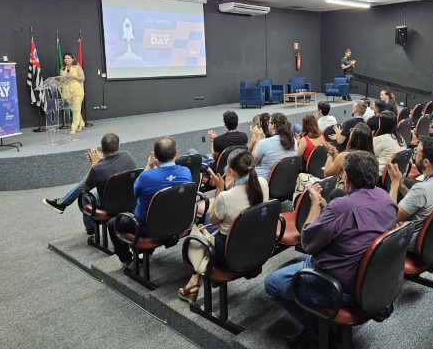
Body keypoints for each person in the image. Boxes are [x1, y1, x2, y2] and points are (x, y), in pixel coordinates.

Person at [264, 150, 397, 348]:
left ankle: (320, 331)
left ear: (347, 176)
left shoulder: (341, 207)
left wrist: (315, 206)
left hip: (338, 288)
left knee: (271, 284)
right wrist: (328, 212)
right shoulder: (385, 197)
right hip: (372, 282)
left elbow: (307, 243)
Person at [179, 149, 269, 302]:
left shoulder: (225, 197)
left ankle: (194, 281)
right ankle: (194, 281)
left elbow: (213, 219)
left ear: (231, 171)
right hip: (257, 243)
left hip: (230, 252)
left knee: (202, 226)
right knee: (211, 229)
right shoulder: (262, 183)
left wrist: (220, 190)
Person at [107, 136, 192, 266]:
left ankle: (127, 260)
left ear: (155, 155)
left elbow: (135, 192)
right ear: (176, 153)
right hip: (178, 222)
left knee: (113, 223)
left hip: (148, 228)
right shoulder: (186, 172)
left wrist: (148, 167)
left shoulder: (146, 177)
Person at [42, 133, 137, 235]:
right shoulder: (128, 157)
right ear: (118, 146)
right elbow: (113, 165)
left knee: (84, 196)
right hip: (131, 201)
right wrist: (101, 160)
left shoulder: (97, 169)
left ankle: (91, 229)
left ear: (103, 149)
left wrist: (94, 165)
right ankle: (61, 203)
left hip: (110, 205)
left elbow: (84, 187)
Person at [387, 137, 433, 249]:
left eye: (416, 153)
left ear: (426, 162)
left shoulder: (421, 189)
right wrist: (401, 186)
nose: (414, 156)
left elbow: (391, 218)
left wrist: (394, 183)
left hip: (412, 242)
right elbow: (420, 201)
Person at [324, 122, 374, 190]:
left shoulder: (345, 156)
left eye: (352, 130)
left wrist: (329, 153)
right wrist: (335, 153)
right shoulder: (372, 157)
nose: (350, 131)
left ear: (354, 138)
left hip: (345, 192)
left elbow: (326, 173)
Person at [250, 113, 297, 179]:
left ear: (273, 125)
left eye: (269, 123)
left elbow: (251, 162)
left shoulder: (264, 143)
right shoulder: (293, 140)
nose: (268, 125)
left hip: (263, 183)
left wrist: (258, 138)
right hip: (286, 181)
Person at [372, 111, 406, 175]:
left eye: (379, 122)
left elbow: (370, 155)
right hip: (396, 173)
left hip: (379, 174)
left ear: (382, 124)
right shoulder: (401, 138)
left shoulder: (380, 139)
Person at [59, 52, 85, 135]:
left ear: (72, 59)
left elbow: (82, 78)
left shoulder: (77, 67)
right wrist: (62, 79)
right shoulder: (62, 69)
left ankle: (74, 128)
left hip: (77, 91)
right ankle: (81, 123)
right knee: (74, 110)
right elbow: (61, 80)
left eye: (68, 58)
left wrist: (73, 76)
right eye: (65, 58)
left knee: (76, 110)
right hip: (66, 92)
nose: (67, 60)